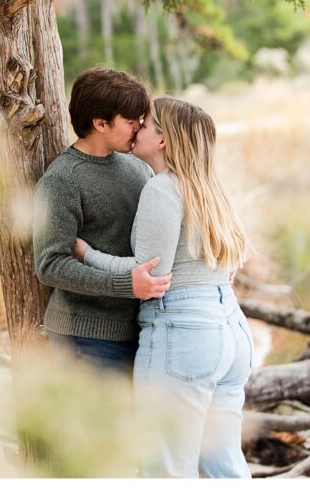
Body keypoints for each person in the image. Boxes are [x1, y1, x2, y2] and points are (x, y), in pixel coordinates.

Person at [74, 97, 253, 477]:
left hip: (184, 335)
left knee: (166, 469)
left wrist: (87, 253)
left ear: (164, 141)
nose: (137, 125)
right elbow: (229, 264)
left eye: (147, 122)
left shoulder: (163, 189)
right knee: (224, 466)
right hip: (232, 331)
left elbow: (149, 275)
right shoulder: (211, 190)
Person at [33, 67, 172, 373]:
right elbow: (50, 264)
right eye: (130, 120)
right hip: (85, 338)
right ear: (100, 123)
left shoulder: (137, 167)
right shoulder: (62, 180)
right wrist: (124, 284)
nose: (139, 126)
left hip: (139, 329)